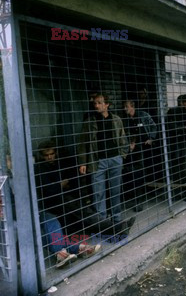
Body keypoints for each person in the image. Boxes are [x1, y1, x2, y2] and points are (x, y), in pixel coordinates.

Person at [36, 140, 101, 269]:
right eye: (46, 155)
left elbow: (69, 181)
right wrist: (60, 185)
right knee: (52, 221)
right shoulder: (39, 168)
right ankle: (75, 249)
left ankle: (64, 253)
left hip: (58, 200)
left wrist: (59, 186)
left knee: (53, 226)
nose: (49, 157)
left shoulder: (58, 163)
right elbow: (49, 190)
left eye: (52, 154)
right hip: (44, 206)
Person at [78, 93, 129, 224]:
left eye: (100, 103)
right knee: (98, 193)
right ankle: (102, 222)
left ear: (107, 105)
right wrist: (83, 162)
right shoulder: (89, 122)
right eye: (95, 103)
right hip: (97, 162)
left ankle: (116, 219)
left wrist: (121, 156)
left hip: (114, 159)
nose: (96, 105)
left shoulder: (116, 119)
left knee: (115, 191)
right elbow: (83, 143)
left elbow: (123, 138)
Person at [123, 99, 157, 212]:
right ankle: (136, 198)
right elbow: (126, 133)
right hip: (133, 150)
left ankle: (143, 197)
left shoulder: (143, 115)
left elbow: (153, 126)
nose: (125, 109)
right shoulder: (126, 119)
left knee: (142, 173)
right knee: (134, 173)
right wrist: (130, 143)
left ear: (132, 106)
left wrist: (151, 138)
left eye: (126, 107)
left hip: (145, 148)